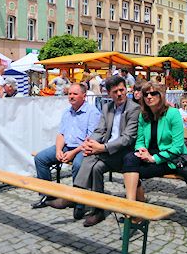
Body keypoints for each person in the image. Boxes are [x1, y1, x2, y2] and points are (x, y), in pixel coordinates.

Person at [48, 75, 140, 227]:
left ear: (126, 89)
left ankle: (74, 196)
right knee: (94, 164)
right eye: (115, 91)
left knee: (90, 158)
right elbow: (99, 130)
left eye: (122, 90)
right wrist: (90, 143)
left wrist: (101, 148)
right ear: (109, 94)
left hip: (124, 154)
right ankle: (97, 210)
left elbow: (127, 138)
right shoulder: (107, 107)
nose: (119, 94)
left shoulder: (134, 109)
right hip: (106, 151)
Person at [33, 83, 102, 209]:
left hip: (84, 148)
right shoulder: (67, 111)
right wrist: (59, 150)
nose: (71, 96)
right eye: (70, 93)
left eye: (75, 94)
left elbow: (90, 140)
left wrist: (73, 153)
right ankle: (48, 195)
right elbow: (61, 134)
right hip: (67, 146)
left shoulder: (93, 112)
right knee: (40, 158)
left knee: (78, 164)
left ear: (84, 96)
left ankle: (79, 202)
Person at [122, 82, 187, 210]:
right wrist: (141, 150)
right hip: (148, 153)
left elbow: (177, 147)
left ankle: (132, 208)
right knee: (129, 159)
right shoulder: (143, 115)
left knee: (132, 173)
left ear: (161, 95)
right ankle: (133, 206)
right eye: (146, 94)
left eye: (153, 93)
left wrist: (153, 158)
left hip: (168, 158)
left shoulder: (173, 114)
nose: (149, 97)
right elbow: (140, 140)